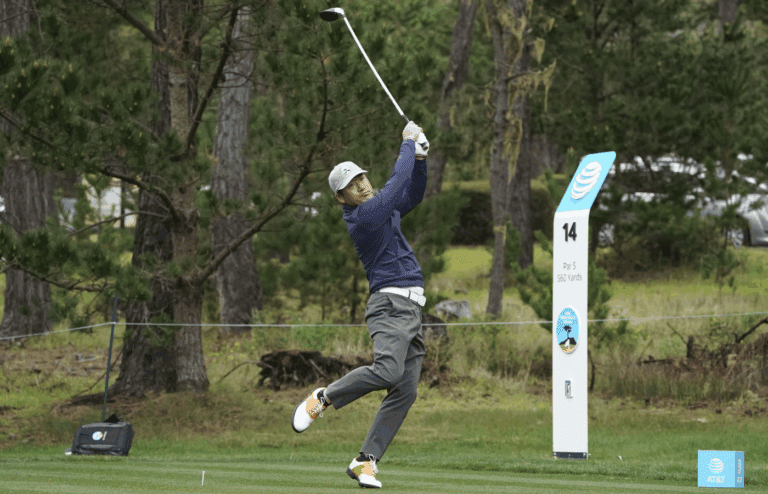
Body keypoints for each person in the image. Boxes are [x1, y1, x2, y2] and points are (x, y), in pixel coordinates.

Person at [291, 121, 430, 489]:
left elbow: (411, 194)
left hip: (412, 310)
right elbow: (394, 186)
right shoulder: (364, 217)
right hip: (389, 305)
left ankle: (365, 460)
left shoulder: (381, 211)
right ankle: (324, 397)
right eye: (353, 186)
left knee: (406, 389)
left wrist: (420, 158)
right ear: (342, 198)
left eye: (362, 179)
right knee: (387, 372)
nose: (362, 186)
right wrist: (406, 145)